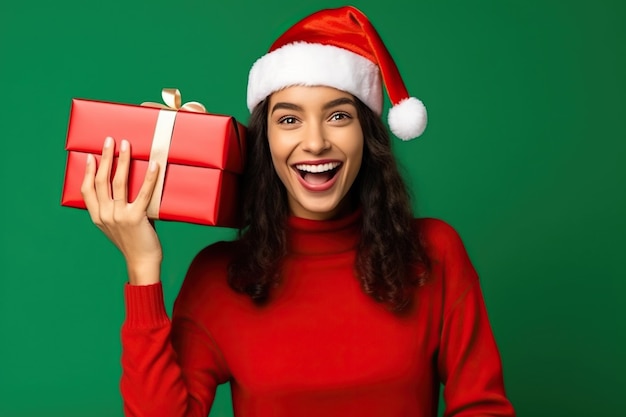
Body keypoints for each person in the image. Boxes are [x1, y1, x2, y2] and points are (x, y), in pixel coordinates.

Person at [81, 6, 515, 417]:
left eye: (338, 116)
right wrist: (142, 266)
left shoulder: (433, 252)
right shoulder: (219, 277)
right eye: (289, 120)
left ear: (367, 136)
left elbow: (482, 406)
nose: (314, 142)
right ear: (264, 141)